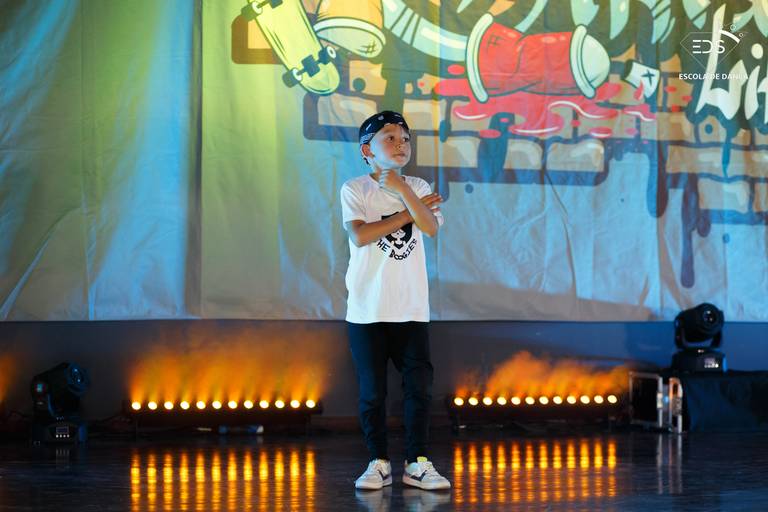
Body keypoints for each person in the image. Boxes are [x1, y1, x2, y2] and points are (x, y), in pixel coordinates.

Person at [340, 111, 450, 491]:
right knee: (373, 392)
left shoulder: (417, 185)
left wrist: (404, 190)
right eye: (390, 138)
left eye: (405, 139)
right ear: (367, 150)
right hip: (367, 309)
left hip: (411, 307)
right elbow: (360, 235)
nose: (401, 144)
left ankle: (417, 462)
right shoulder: (355, 189)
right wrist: (408, 212)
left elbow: (430, 227)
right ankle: (378, 462)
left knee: (418, 388)